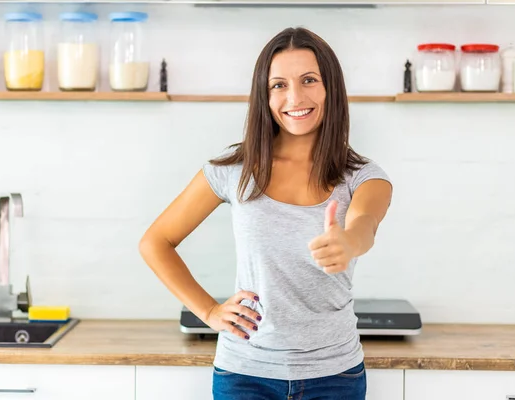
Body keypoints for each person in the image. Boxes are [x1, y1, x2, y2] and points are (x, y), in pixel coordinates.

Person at [139, 26, 393, 400]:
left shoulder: (363, 176)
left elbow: (365, 223)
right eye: (279, 85)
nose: (295, 97)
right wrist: (209, 311)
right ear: (264, 94)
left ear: (331, 88)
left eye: (309, 80)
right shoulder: (234, 171)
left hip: (335, 376)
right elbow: (155, 242)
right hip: (245, 376)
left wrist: (349, 242)